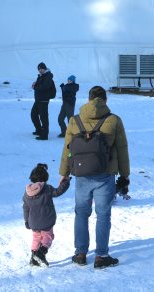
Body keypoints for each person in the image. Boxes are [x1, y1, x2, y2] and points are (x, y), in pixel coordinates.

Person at [58, 85, 130, 269]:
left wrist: (64, 174)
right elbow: (122, 150)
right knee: (103, 215)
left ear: (89, 99)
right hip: (105, 175)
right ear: (105, 100)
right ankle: (101, 256)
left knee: (81, 213)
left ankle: (80, 253)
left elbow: (67, 150)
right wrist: (125, 176)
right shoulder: (114, 120)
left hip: (81, 175)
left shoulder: (75, 120)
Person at [22, 163, 70, 267]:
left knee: (36, 238)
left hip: (33, 222)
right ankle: (41, 253)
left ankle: (33, 258)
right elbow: (58, 191)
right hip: (46, 221)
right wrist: (66, 182)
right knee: (48, 237)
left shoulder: (27, 193)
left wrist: (26, 221)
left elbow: (26, 208)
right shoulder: (47, 188)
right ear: (45, 177)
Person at [31, 62, 56, 140]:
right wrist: (34, 84)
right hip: (38, 100)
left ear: (44, 68)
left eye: (41, 69)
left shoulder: (48, 76)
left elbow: (45, 87)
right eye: (39, 69)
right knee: (33, 114)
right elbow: (39, 85)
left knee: (43, 118)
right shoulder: (41, 76)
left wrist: (35, 87)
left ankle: (44, 135)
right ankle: (39, 130)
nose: (40, 70)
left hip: (44, 100)